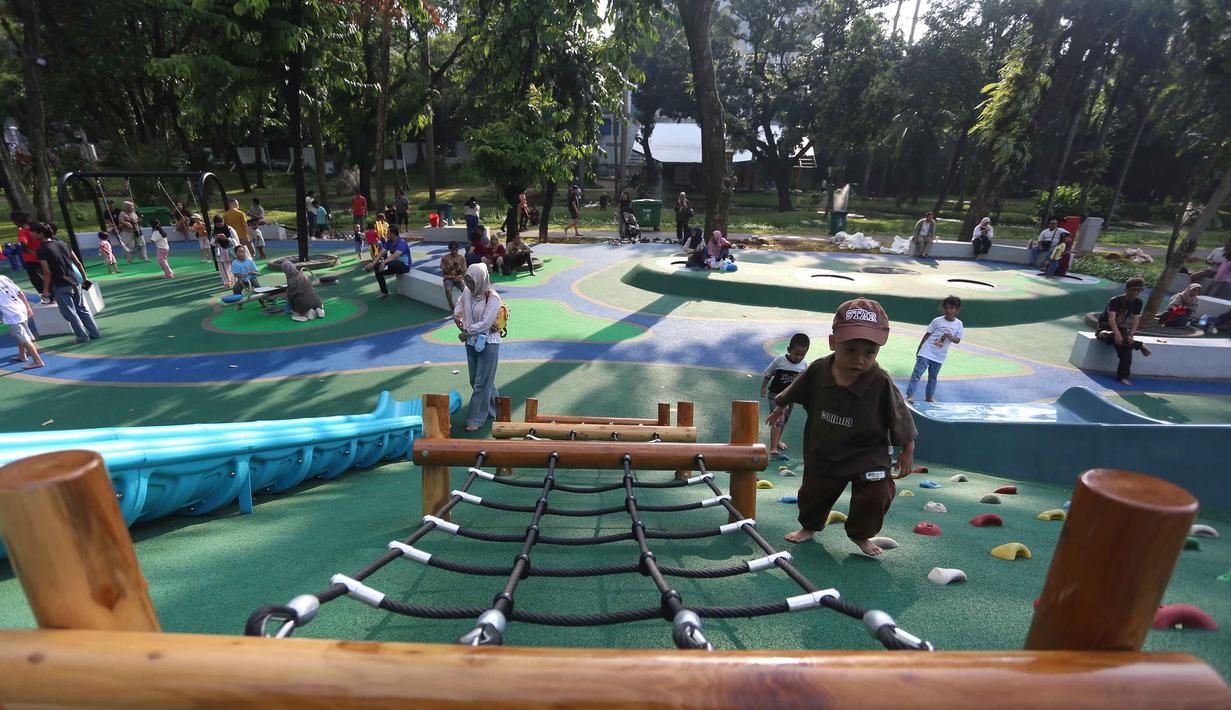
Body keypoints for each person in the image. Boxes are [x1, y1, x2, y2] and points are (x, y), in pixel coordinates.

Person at [766, 298, 916, 557]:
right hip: (826, 448)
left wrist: (907, 450)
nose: (859, 360)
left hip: (868, 454)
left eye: (869, 352)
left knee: (876, 494)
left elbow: (900, 415)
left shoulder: (880, 381)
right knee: (815, 493)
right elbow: (797, 387)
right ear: (833, 342)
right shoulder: (819, 369)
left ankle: (861, 535)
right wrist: (781, 405)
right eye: (850, 350)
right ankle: (809, 527)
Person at [453, 262, 503, 431]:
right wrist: (457, 317)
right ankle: (497, 408)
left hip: (488, 342)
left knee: (482, 382)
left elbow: (486, 323)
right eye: (467, 281)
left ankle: (475, 419)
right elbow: (459, 306)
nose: (469, 285)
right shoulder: (467, 292)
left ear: (481, 280)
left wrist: (467, 331)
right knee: (476, 379)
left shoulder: (493, 297)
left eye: (472, 282)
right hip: (471, 341)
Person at [35, 223, 101, 344]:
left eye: (34, 232)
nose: (32, 235)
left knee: (69, 312)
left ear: (41, 234)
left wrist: (45, 290)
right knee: (81, 308)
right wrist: (84, 278)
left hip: (60, 284)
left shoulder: (42, 250)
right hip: (75, 281)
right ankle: (94, 332)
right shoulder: (63, 244)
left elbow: (47, 272)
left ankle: (82, 336)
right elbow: (78, 263)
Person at [761, 333, 810, 462]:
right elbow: (768, 374)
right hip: (775, 396)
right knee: (778, 419)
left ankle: (777, 441)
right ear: (788, 350)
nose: (798, 357)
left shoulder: (804, 366)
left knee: (784, 420)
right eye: (795, 354)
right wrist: (763, 387)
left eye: (802, 355)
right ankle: (773, 449)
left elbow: (804, 384)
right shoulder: (780, 360)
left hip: (790, 398)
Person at [906, 296, 964, 403]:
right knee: (917, 373)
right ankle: (910, 395)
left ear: (957, 310)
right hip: (927, 351)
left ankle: (929, 397)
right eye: (946, 308)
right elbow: (927, 334)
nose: (948, 310)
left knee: (933, 377)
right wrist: (920, 348)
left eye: (951, 308)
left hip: (939, 355)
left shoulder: (958, 324)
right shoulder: (937, 321)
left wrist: (950, 336)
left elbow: (957, 340)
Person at [1096, 277, 1153, 386]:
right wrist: (1117, 334)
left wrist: (1131, 335)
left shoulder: (1138, 302)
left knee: (1127, 349)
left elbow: (1136, 320)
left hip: (1122, 330)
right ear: (1126, 290)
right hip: (1105, 328)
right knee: (1110, 336)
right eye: (1133, 289)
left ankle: (1123, 376)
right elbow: (1111, 319)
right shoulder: (1115, 300)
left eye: (1139, 290)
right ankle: (1139, 345)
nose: (1136, 292)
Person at [0, 271, 44, 369]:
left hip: (11, 313)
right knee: (19, 335)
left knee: (24, 338)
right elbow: (20, 292)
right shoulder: (3, 278)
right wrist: (27, 307)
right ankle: (22, 355)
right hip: (20, 308)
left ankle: (37, 361)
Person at [364, 224, 411, 298]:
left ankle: (375, 267)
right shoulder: (389, 242)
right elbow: (381, 254)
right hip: (394, 264)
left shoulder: (401, 242)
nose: (386, 234)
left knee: (389, 264)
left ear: (392, 234)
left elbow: (395, 256)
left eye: (388, 232)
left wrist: (383, 262)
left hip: (404, 266)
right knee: (377, 269)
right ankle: (384, 292)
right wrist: (373, 264)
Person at [13, 211, 45, 297]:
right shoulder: (36, 229)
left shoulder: (23, 232)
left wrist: (32, 252)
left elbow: (23, 243)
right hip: (44, 257)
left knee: (36, 280)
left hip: (32, 260)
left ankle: (46, 296)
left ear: (17, 221)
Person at [441, 241, 467, 310]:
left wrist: (459, 268)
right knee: (448, 289)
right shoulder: (444, 258)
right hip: (448, 278)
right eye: (452, 249)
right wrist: (450, 268)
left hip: (459, 278)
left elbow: (463, 272)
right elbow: (444, 272)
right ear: (449, 249)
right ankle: (451, 303)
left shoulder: (462, 258)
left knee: (465, 289)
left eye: (456, 249)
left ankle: (467, 303)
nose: (454, 251)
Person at [213, 216, 237, 287]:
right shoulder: (214, 230)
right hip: (220, 250)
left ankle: (236, 281)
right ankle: (227, 282)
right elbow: (211, 242)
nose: (219, 225)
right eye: (217, 224)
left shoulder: (229, 229)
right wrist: (216, 239)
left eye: (221, 223)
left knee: (234, 265)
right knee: (223, 267)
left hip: (231, 249)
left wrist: (226, 238)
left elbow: (236, 239)